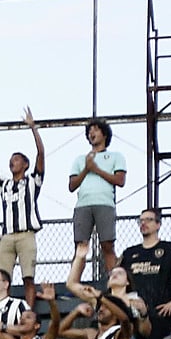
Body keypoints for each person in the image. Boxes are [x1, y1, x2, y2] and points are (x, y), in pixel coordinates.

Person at [0, 110, 46, 288]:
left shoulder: (32, 181)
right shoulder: (4, 185)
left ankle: (28, 309)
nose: (12, 162)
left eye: (17, 159)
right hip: (7, 236)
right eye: (11, 159)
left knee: (28, 276)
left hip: (26, 234)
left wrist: (33, 128)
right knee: (0, 276)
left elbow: (41, 154)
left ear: (25, 164)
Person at [68, 118, 127, 277]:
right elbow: (72, 185)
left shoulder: (116, 156)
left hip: (105, 203)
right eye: (89, 131)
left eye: (95, 130)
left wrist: (96, 169)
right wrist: (87, 169)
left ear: (105, 134)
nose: (91, 133)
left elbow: (120, 181)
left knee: (107, 245)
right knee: (81, 246)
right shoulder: (81, 159)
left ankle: (113, 280)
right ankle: (74, 281)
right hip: (83, 205)